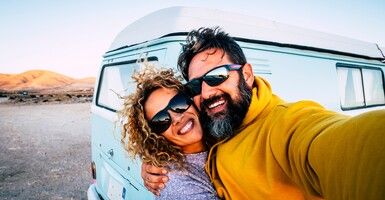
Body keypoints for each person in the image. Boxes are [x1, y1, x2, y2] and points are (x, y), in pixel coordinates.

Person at [141, 27, 385, 200]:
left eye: (217, 76)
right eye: (195, 86)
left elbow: (347, 146)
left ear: (246, 74)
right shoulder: (217, 123)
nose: (206, 93)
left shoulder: (285, 125)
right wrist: (152, 159)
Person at [120, 66, 218, 199]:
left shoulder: (221, 128)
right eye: (161, 120)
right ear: (155, 137)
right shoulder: (179, 186)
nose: (177, 119)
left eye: (178, 103)